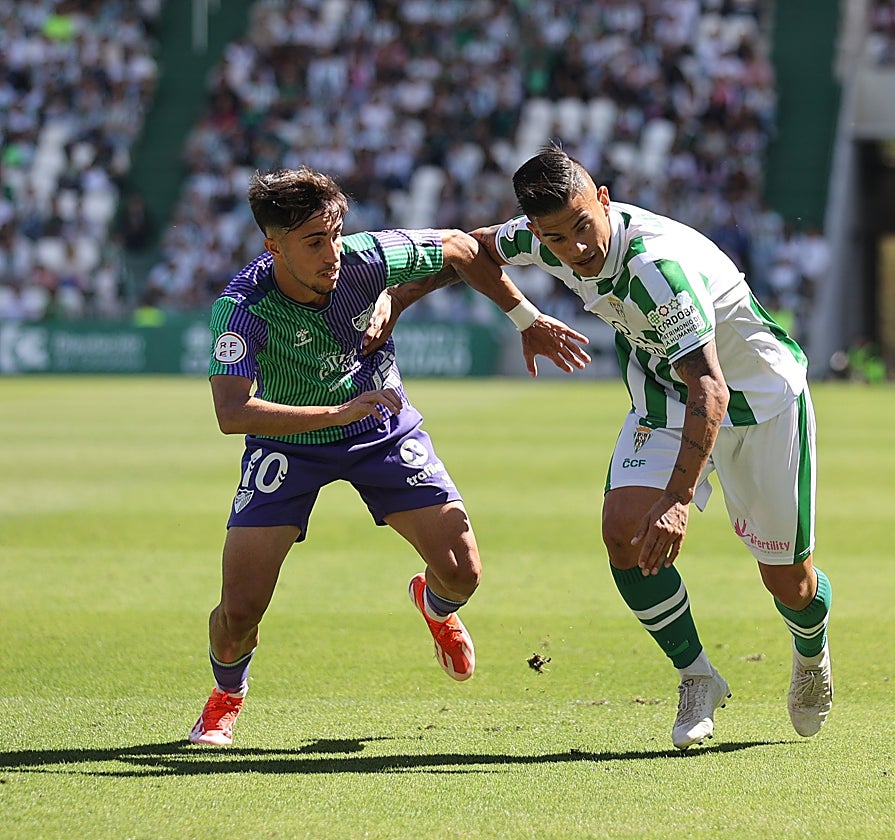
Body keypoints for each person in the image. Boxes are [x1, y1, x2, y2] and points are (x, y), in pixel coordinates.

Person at [377, 147, 834, 750]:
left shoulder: (655, 269)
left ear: (605, 200)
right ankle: (698, 676)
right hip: (666, 400)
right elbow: (468, 249)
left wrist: (677, 499)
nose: (575, 249)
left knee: (788, 582)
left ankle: (810, 656)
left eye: (583, 227)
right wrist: (402, 299)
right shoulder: (544, 238)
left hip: (758, 403)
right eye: (556, 238)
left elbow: (712, 385)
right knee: (624, 531)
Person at [189, 166, 590, 746]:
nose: (333, 252)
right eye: (314, 242)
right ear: (272, 246)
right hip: (288, 443)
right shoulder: (243, 306)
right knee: (239, 612)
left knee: (462, 572)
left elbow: (464, 246)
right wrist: (334, 415)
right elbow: (233, 412)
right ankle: (227, 693)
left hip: (380, 426)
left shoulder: (368, 258)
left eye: (335, 233)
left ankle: (434, 606)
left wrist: (512, 317)